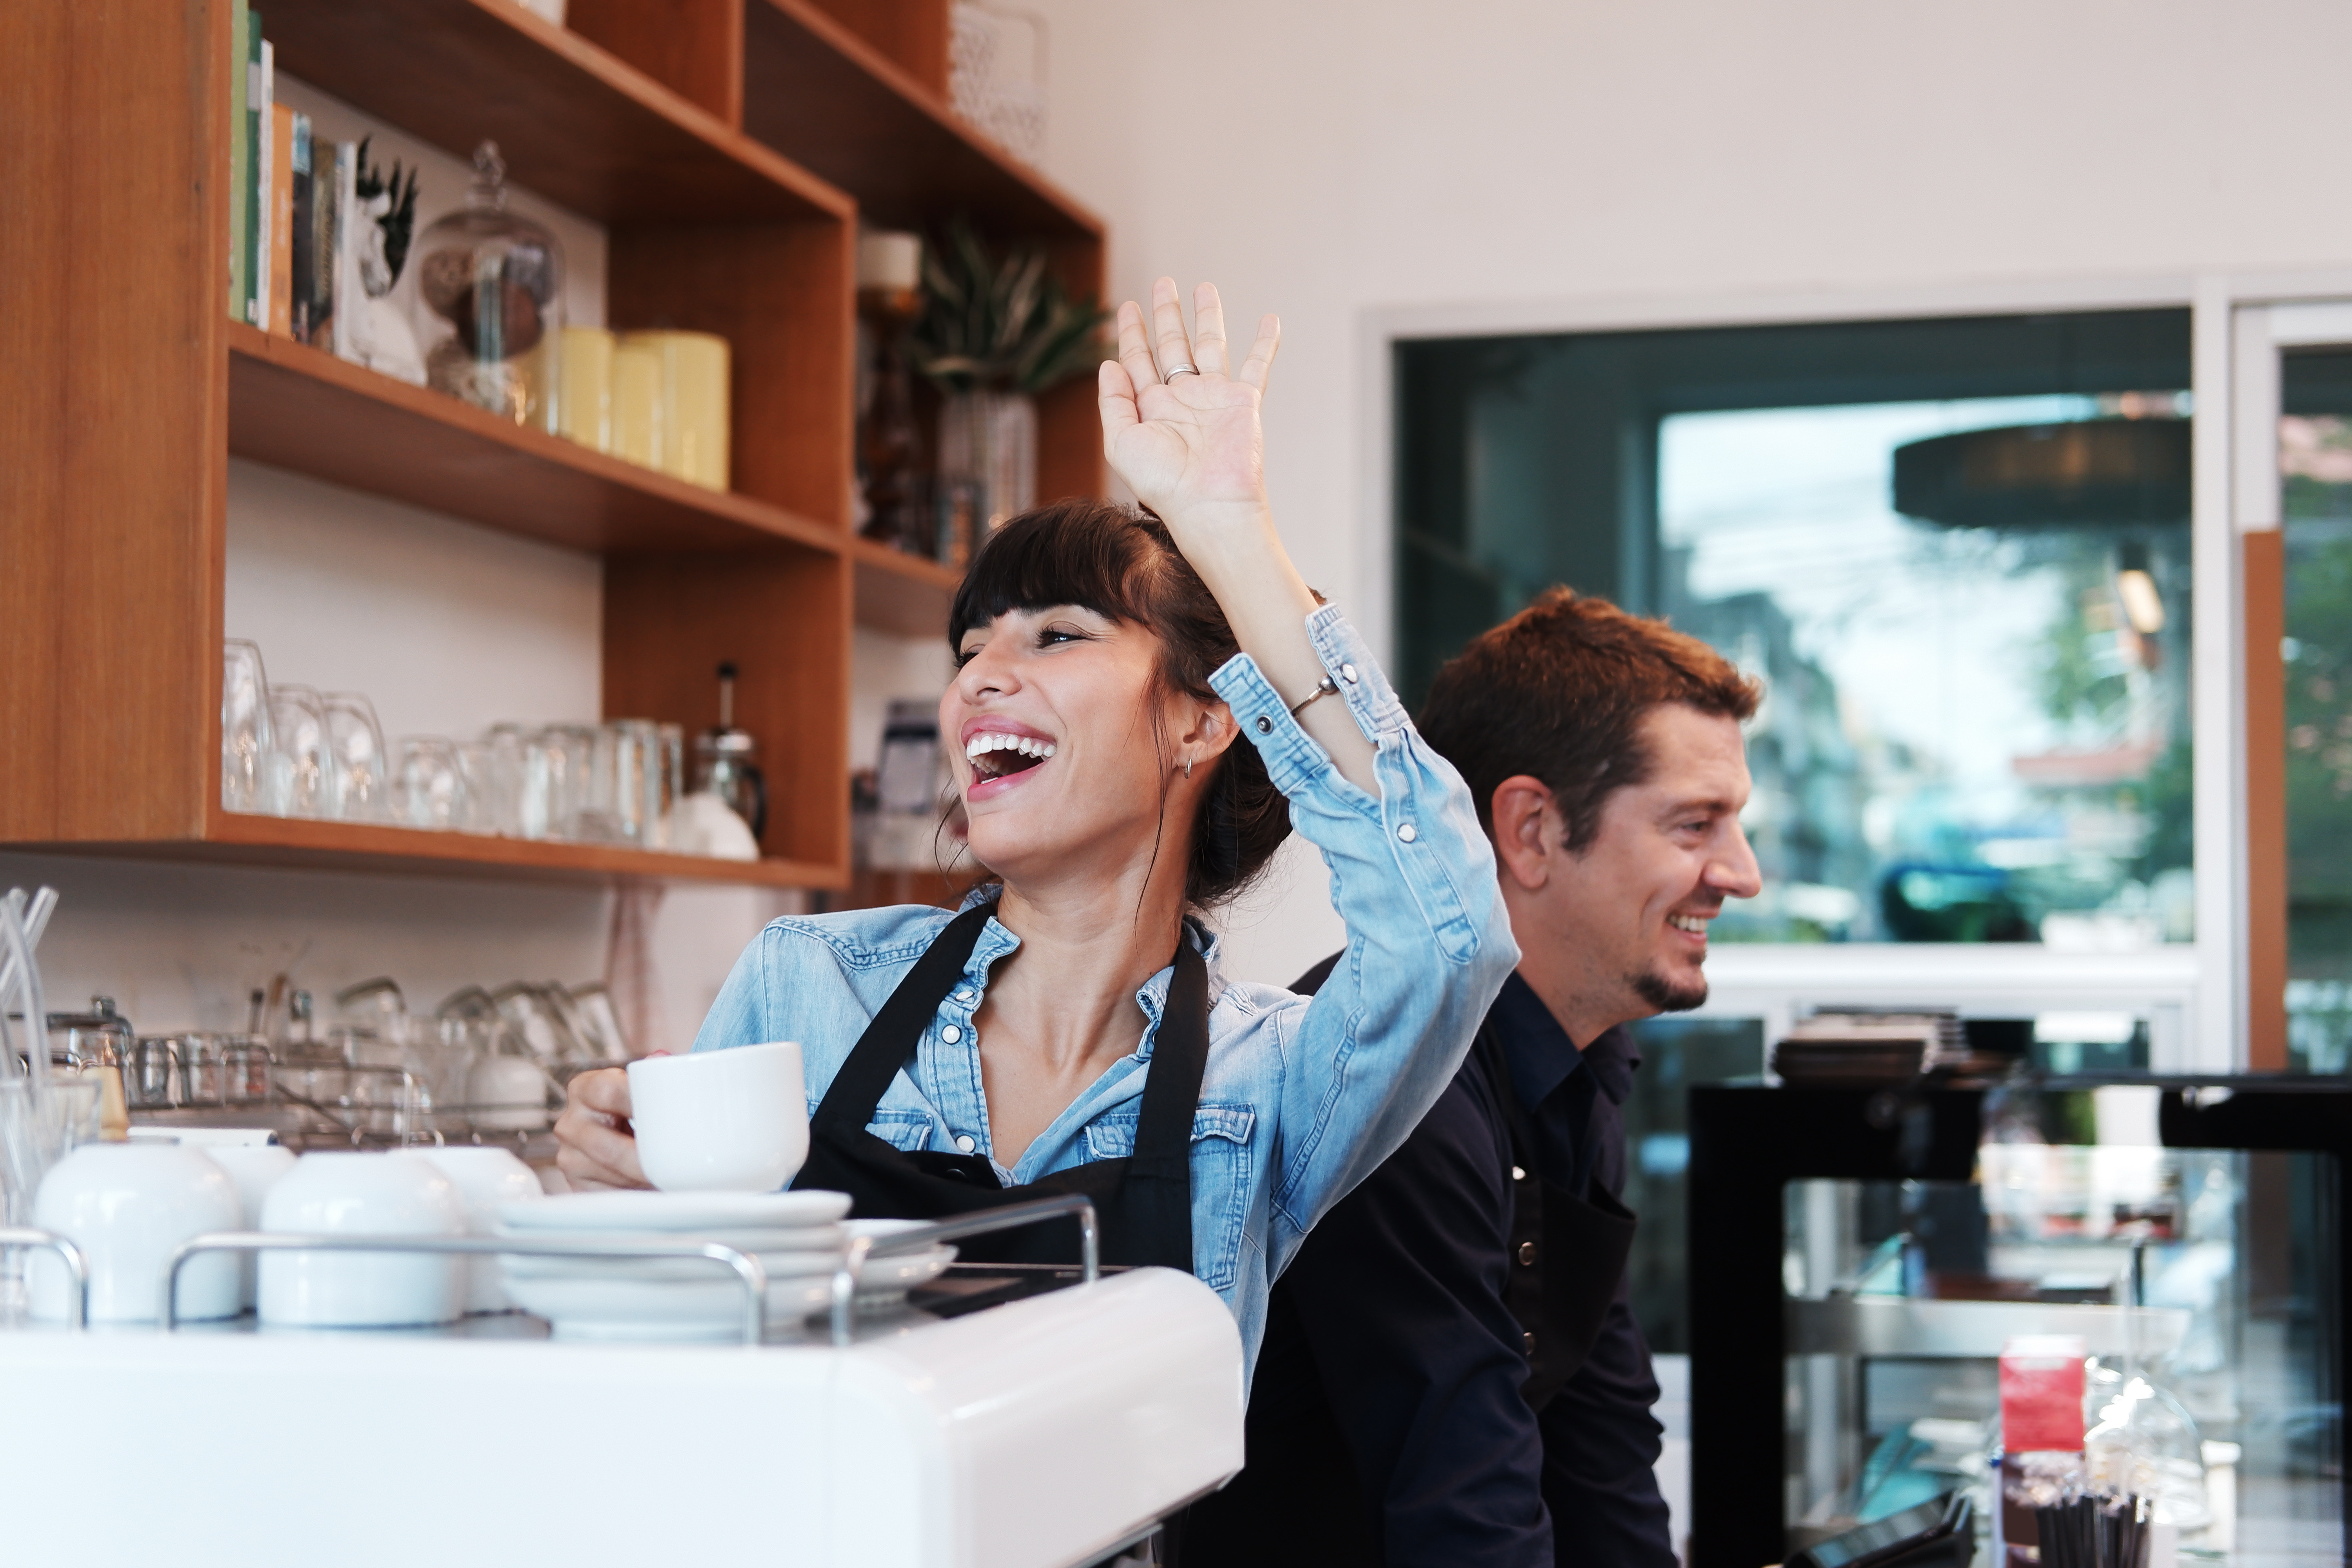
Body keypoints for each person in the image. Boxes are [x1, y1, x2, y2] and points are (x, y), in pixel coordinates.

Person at [553, 279, 1517, 1396]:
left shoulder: (1275, 1083)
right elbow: (671, 1347)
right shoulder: (808, 984)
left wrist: (1226, 531)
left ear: (1206, 718)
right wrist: (616, 1194)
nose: (981, 677)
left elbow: (1450, 928)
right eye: (970, 648)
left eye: (1058, 635)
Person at [1178, 588, 1764, 1566]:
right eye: (1696, 824)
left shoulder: (1581, 1073)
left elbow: (1602, 1449)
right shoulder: (1390, 1080)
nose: (1742, 873)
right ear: (1531, 830)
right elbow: (1462, 1494)